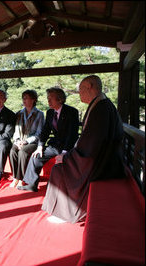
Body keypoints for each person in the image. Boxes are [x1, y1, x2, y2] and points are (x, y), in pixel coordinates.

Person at [41, 75, 126, 224]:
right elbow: (89, 141)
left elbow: (90, 145)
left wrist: (67, 158)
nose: (79, 93)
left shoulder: (101, 109)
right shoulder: (100, 105)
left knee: (59, 170)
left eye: (81, 89)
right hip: (101, 156)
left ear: (90, 87)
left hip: (102, 162)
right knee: (60, 165)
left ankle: (65, 213)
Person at [18, 87, 79, 192]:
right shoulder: (50, 112)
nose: (48, 101)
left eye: (51, 98)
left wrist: (64, 152)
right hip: (55, 145)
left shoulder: (72, 112)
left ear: (59, 99)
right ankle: (31, 184)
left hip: (69, 147)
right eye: (48, 98)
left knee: (66, 160)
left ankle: (69, 188)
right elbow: (45, 131)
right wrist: (40, 146)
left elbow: (72, 134)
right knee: (36, 156)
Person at [9, 90, 44, 188]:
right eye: (23, 98)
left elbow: (39, 133)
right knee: (12, 151)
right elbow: (16, 130)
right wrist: (18, 141)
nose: (24, 100)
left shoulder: (39, 114)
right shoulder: (19, 113)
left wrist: (26, 141)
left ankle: (22, 178)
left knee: (23, 152)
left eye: (26, 98)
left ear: (33, 100)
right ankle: (15, 177)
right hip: (20, 140)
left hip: (33, 141)